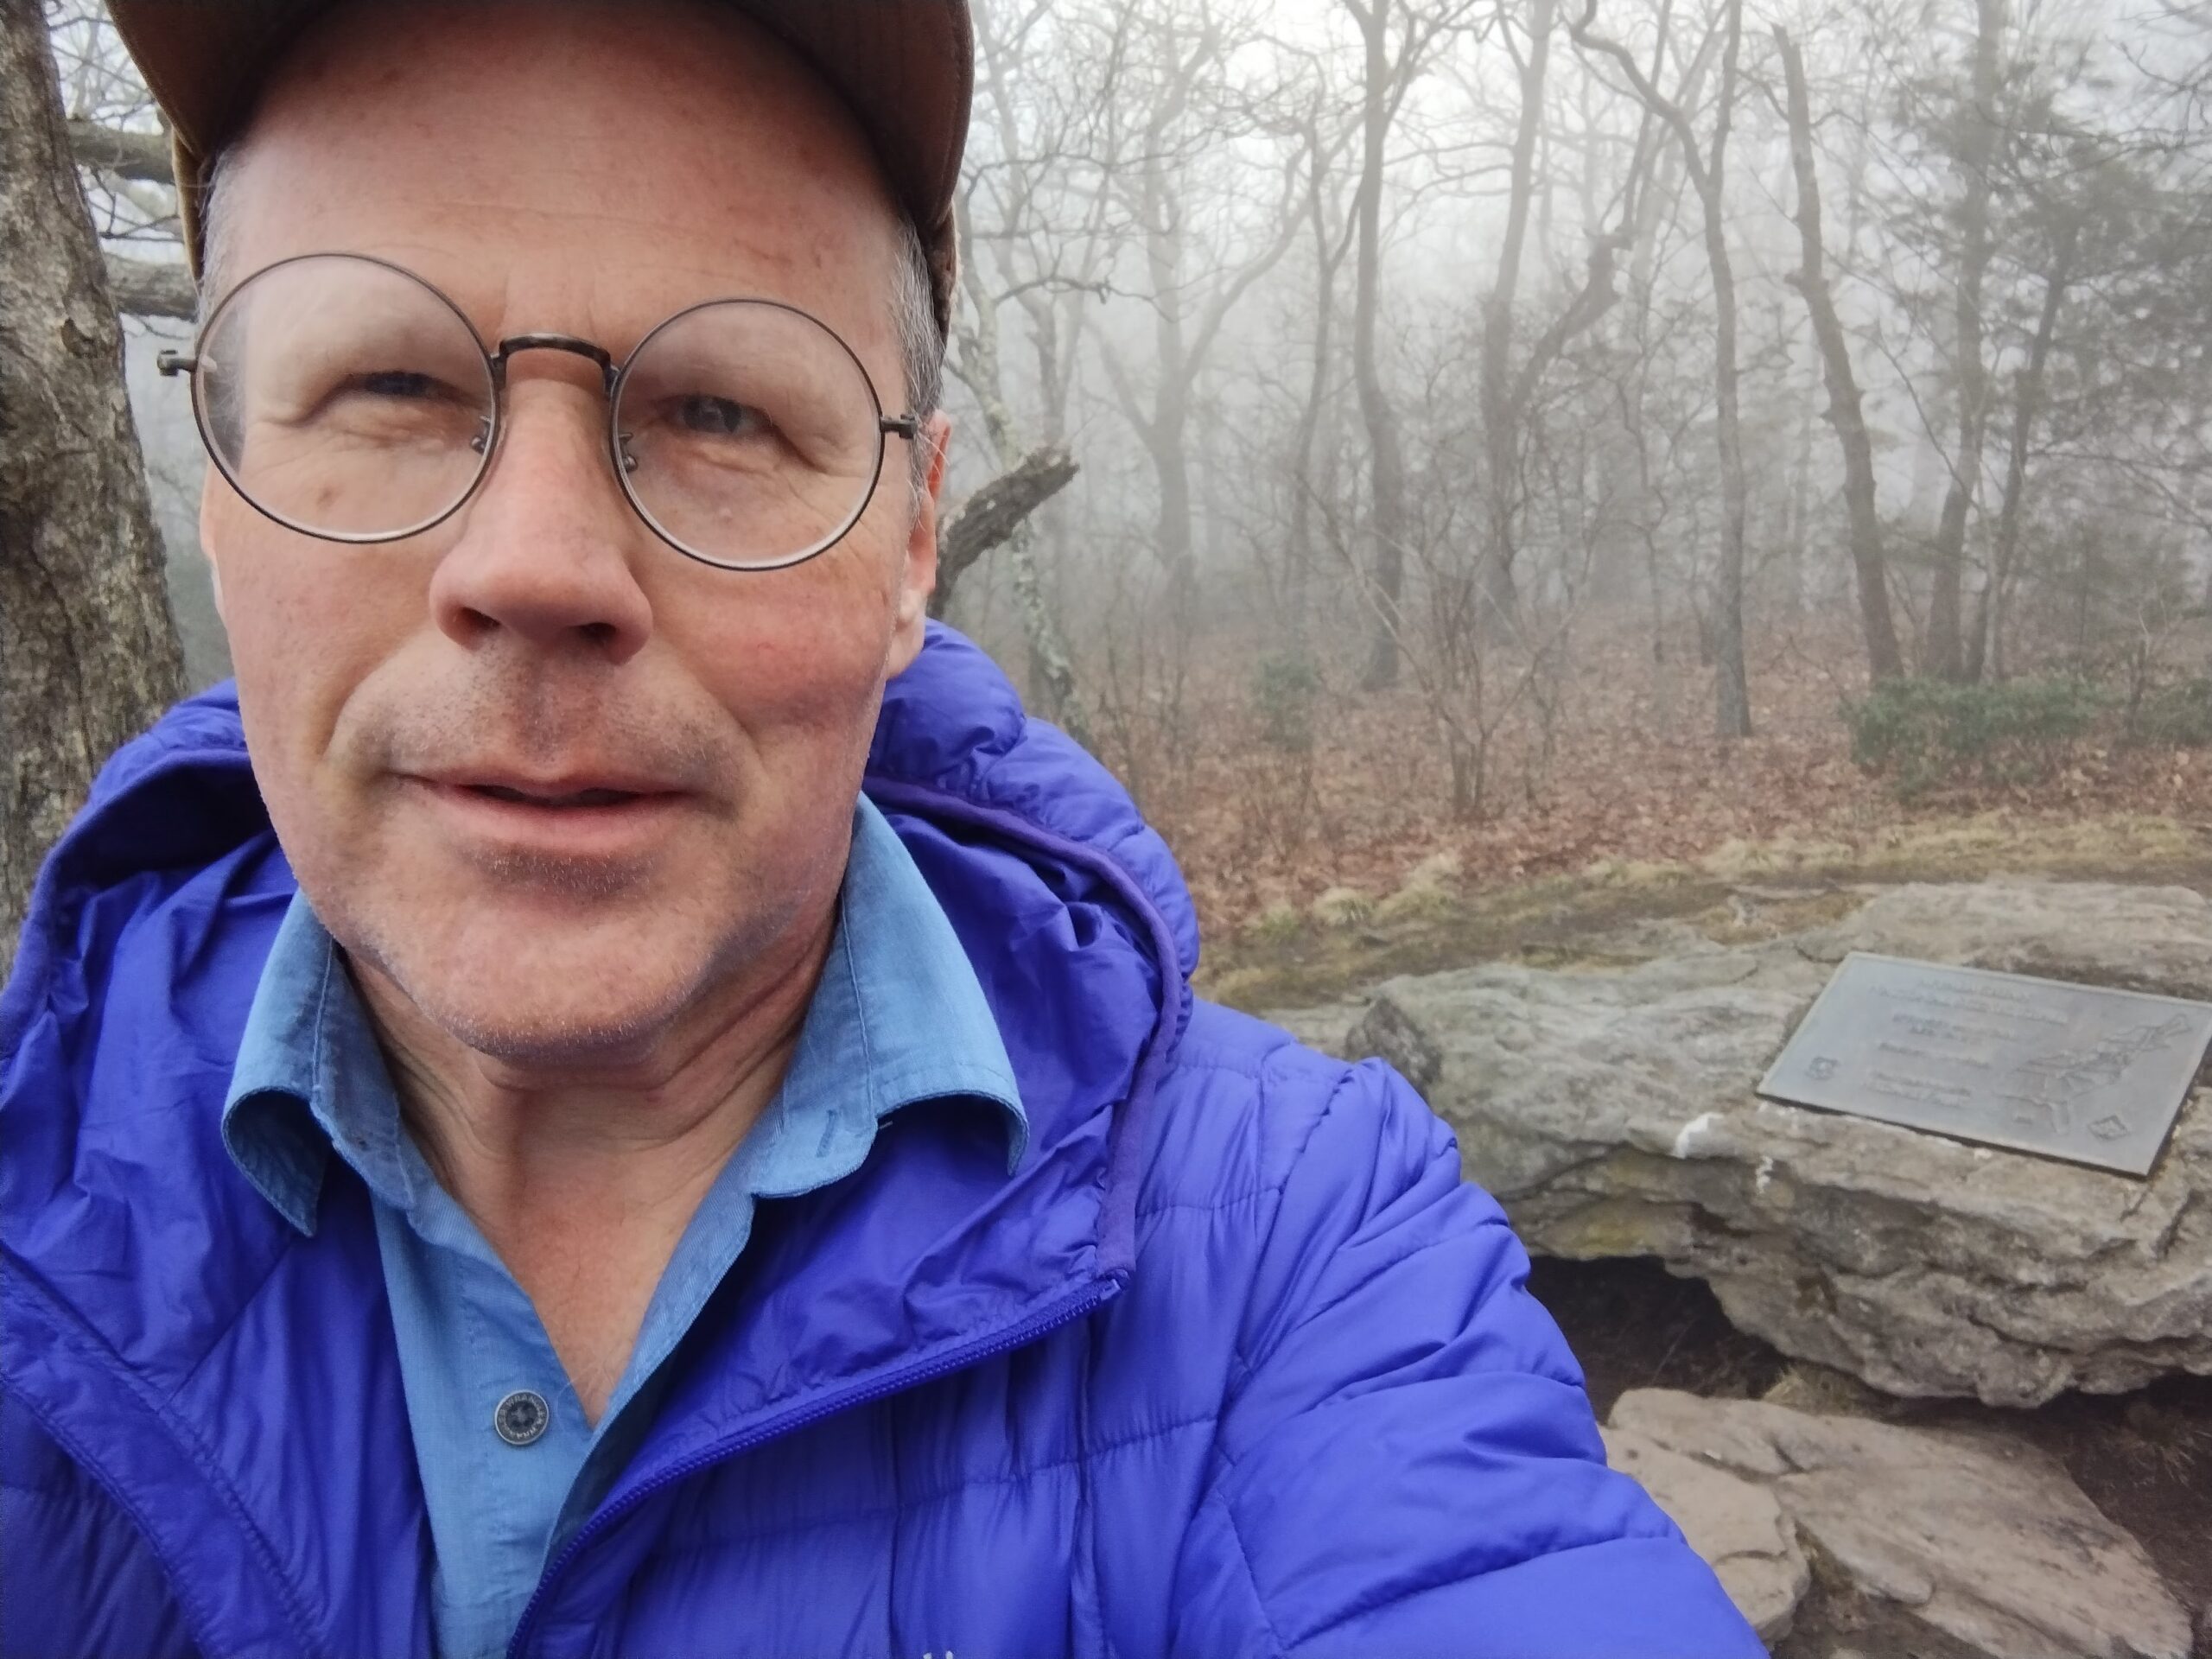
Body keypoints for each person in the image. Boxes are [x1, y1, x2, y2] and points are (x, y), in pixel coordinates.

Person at [0, 3, 1764, 1655]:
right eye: (388, 388)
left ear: (913, 542)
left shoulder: (1291, 1248)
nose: (535, 567)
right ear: (223, 491)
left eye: (715, 412)